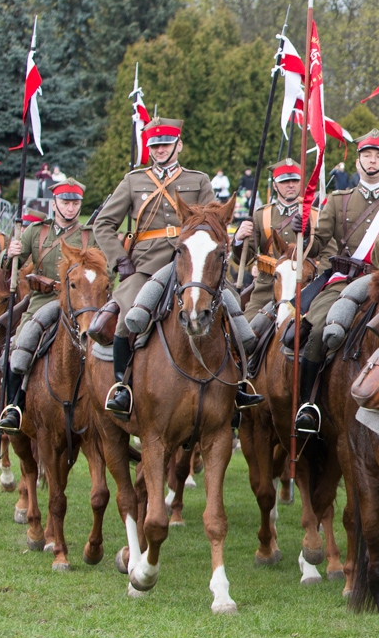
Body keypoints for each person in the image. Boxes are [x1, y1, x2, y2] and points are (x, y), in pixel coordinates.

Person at [92, 118, 263, 418]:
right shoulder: (134, 181)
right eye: (154, 146)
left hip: (192, 264)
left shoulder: (198, 181)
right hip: (145, 265)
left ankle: (239, 385)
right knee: (126, 316)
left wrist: (233, 238)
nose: (159, 150)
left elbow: (215, 222)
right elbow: (102, 224)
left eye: (165, 145)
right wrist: (120, 259)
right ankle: (122, 386)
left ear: (178, 145)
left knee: (233, 309)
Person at [289, 131, 379, 436]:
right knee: (319, 330)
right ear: (359, 161)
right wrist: (304, 230)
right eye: (367, 155)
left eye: (378, 156)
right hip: (343, 280)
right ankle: (306, 403)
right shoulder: (339, 201)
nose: (372, 160)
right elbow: (319, 240)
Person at [0, 179, 95, 432]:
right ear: (54, 204)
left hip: (77, 303)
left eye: (75, 203)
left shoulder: (88, 236)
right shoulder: (37, 232)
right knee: (18, 344)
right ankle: (14, 407)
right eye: (66, 203)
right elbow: (7, 269)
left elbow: (101, 271)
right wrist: (9, 255)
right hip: (42, 300)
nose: (71, 208)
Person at [234, 159, 335, 321]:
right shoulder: (262, 215)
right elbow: (244, 259)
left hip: (307, 290)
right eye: (284, 181)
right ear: (275, 185)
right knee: (246, 334)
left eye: (295, 180)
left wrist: (315, 282)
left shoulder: (317, 216)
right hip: (267, 289)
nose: (290, 185)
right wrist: (238, 239)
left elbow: (329, 257)